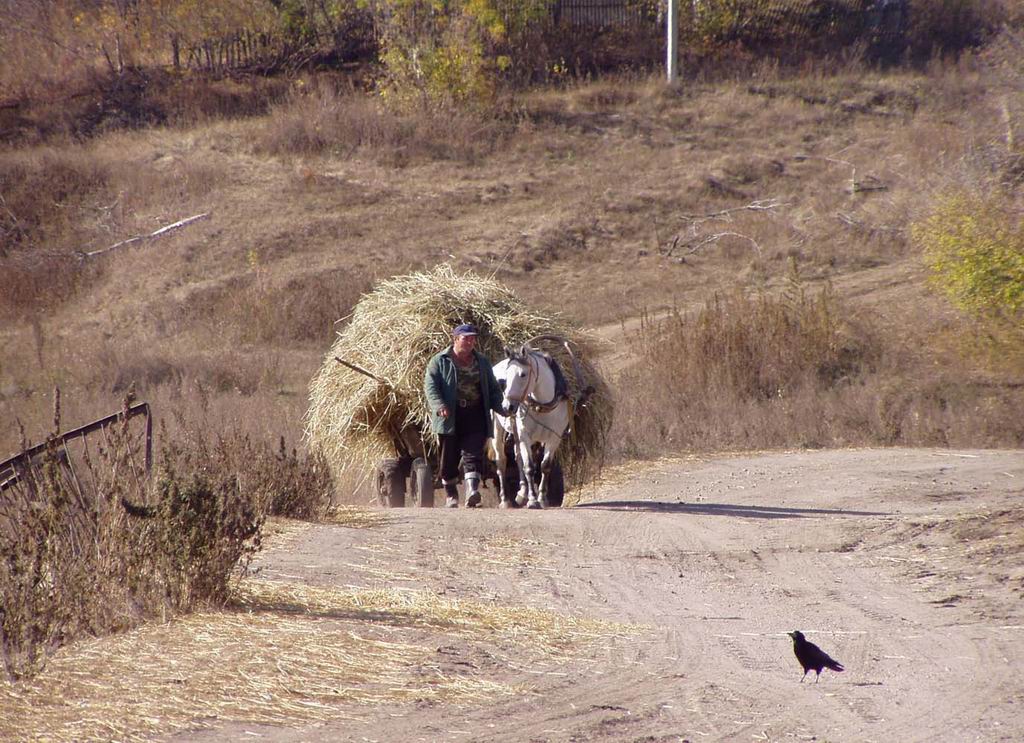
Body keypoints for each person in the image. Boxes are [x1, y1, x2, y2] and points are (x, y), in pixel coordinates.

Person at [424, 323, 505, 508]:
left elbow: (492, 389)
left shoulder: (482, 361)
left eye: (472, 338)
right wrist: (439, 405)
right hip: (449, 415)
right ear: (455, 339)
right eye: (465, 338)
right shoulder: (440, 361)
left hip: (475, 413)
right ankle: (451, 495)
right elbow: (431, 387)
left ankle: (472, 491)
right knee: (448, 458)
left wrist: (501, 408)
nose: (470, 342)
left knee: (473, 453)